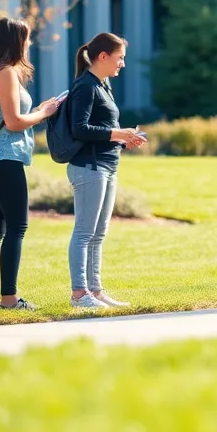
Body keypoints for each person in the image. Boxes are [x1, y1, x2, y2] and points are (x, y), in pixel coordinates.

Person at [0, 19, 61, 311]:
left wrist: (34, 112)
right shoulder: (6, 74)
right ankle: (10, 298)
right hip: (5, 158)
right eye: (27, 39)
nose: (30, 44)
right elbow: (13, 122)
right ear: (16, 41)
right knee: (17, 227)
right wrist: (43, 113)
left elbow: (5, 118)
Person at [66, 33, 148, 309]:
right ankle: (79, 294)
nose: (122, 64)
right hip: (89, 167)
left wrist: (124, 140)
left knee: (98, 233)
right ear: (103, 57)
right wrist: (118, 133)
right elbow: (80, 128)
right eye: (120, 58)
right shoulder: (86, 86)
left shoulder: (103, 85)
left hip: (107, 165)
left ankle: (96, 291)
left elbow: (101, 132)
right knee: (84, 233)